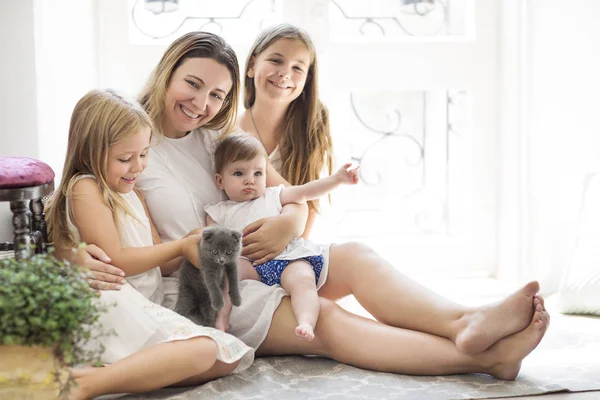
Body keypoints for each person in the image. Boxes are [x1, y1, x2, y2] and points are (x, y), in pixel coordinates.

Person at [83, 27, 549, 384]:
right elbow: (84, 204)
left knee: (354, 256)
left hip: (262, 258)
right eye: (193, 84)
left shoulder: (218, 138)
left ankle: (465, 322)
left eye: (217, 95)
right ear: (167, 72)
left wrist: (289, 225)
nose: (202, 104)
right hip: (208, 287)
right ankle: (487, 356)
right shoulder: (134, 148)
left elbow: (290, 197)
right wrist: (74, 253)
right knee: (324, 321)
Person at [45, 89, 253, 400]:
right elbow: (115, 259)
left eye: (143, 154)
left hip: (143, 298)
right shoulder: (86, 188)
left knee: (229, 355)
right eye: (125, 158)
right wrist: (179, 248)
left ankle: (107, 374)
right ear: (89, 151)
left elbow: (161, 262)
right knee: (206, 349)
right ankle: (85, 385)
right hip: (111, 299)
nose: (138, 166)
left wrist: (189, 241)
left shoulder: (133, 192)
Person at [206, 133, 359, 340]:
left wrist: (337, 179)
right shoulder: (218, 212)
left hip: (287, 258)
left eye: (258, 173)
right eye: (239, 173)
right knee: (226, 276)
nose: (250, 180)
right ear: (220, 181)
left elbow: (305, 192)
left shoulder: (274, 195)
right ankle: (221, 318)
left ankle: (306, 321)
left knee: (303, 281)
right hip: (250, 264)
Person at [238, 24, 333, 238]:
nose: (284, 74)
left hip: (290, 249)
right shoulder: (228, 133)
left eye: (297, 68)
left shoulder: (310, 129)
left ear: (307, 79)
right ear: (252, 65)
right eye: (276, 61)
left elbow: (309, 210)